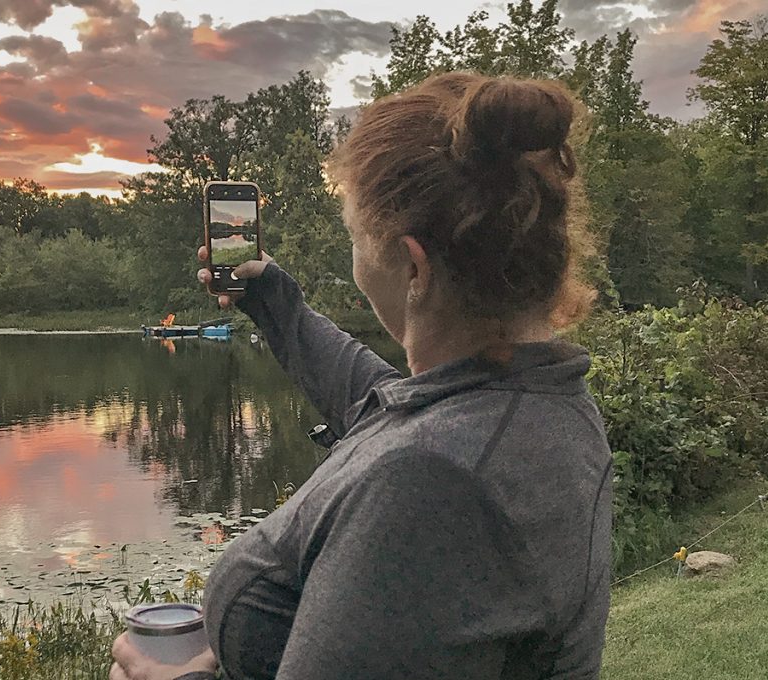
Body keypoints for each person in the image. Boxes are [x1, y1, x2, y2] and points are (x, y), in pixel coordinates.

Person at [110, 71, 613, 680]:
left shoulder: (430, 479)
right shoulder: (530, 404)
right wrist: (271, 299)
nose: (354, 257)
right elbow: (378, 405)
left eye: (354, 237)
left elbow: (410, 454)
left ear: (413, 267)